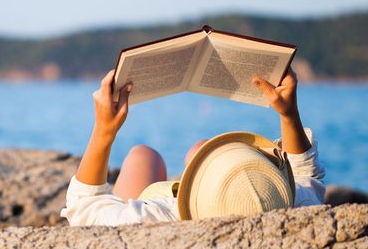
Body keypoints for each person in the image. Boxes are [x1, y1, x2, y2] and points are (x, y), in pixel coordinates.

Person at [60, 68, 325, 226]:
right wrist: (289, 114)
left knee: (142, 155)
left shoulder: (159, 217)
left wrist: (103, 131)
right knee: (200, 148)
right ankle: (203, 158)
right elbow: (304, 173)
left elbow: (83, 208)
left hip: (181, 212)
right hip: (214, 205)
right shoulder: (291, 205)